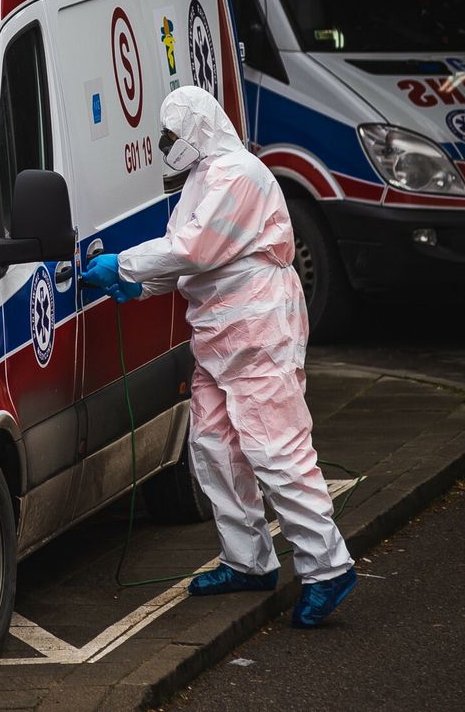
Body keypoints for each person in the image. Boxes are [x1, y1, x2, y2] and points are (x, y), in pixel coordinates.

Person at [81, 86, 357, 628]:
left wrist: (127, 268)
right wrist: (140, 286)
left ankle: (329, 566)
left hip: (255, 327)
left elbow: (193, 250)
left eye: (170, 134)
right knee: (213, 446)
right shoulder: (204, 178)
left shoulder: (238, 174)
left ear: (197, 129)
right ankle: (248, 560)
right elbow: (193, 260)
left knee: (275, 448)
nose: (166, 145)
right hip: (219, 330)